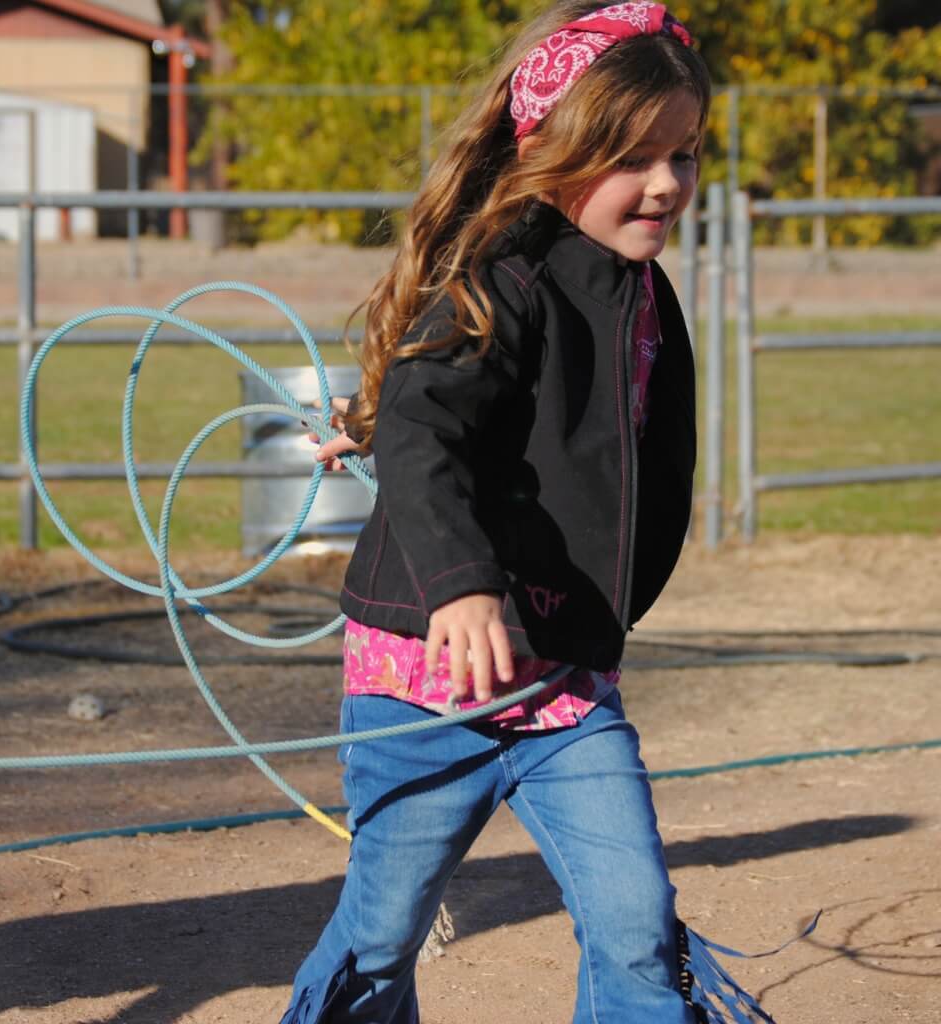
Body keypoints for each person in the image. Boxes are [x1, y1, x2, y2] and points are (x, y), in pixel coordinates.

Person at [282, 3, 769, 1022]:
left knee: (636, 923)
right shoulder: (499, 272)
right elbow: (433, 423)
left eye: (682, 154)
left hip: (563, 682)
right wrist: (460, 582)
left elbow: (518, 427)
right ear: (554, 150)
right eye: (634, 157)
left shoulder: (639, 290)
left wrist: (383, 422)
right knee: (381, 933)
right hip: (426, 682)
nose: (667, 184)